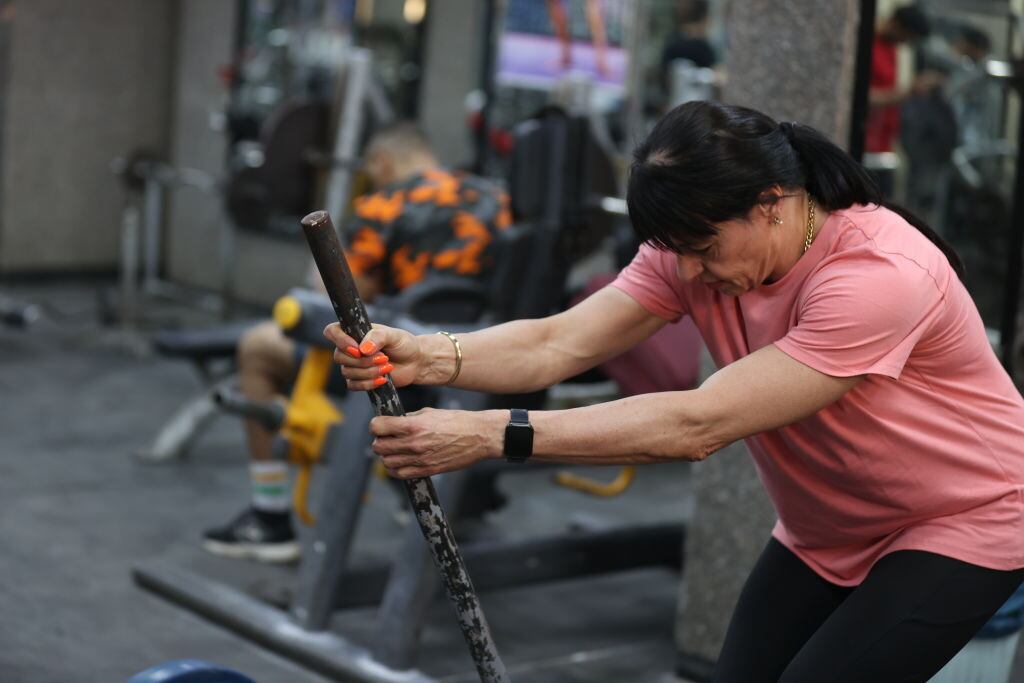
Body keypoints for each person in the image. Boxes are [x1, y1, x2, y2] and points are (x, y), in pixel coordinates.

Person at [326, 100, 1024, 681]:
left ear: (771, 205)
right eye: (677, 250)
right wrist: (427, 355)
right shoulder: (685, 251)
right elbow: (557, 342)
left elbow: (697, 423)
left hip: (966, 516)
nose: (691, 270)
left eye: (707, 248)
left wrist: (485, 435)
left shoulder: (878, 274)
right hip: (830, 526)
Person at [202, 122, 511, 563]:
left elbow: (347, 299)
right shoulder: (495, 199)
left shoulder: (382, 205)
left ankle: (268, 518)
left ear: (381, 163)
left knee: (257, 345)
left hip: (403, 361)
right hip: (477, 360)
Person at [866, 4, 935, 157]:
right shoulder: (869, 44)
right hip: (865, 141)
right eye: (906, 37)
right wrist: (908, 92)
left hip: (881, 141)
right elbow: (863, 96)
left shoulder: (890, 48)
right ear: (896, 25)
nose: (904, 43)